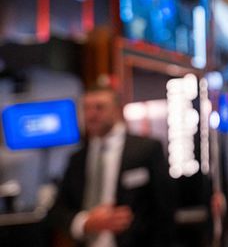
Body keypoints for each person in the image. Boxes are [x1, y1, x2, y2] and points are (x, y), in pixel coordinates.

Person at [48, 86, 175, 247]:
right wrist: (86, 222)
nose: (91, 114)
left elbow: (165, 209)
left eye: (99, 107)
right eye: (86, 108)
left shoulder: (146, 150)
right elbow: (57, 211)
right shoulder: (77, 159)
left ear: (117, 110)